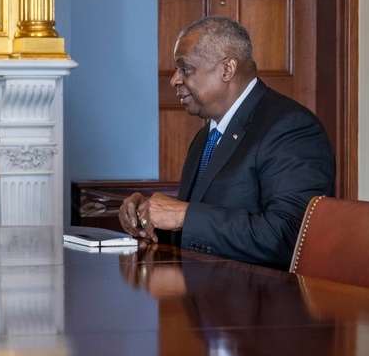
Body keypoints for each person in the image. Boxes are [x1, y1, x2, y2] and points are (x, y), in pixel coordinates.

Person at [118, 15, 335, 270]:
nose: (174, 80)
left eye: (185, 68)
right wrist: (147, 219)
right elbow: (199, 232)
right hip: (206, 293)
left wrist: (184, 215)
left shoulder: (291, 127)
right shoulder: (206, 136)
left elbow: (289, 238)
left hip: (267, 302)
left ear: (227, 70)